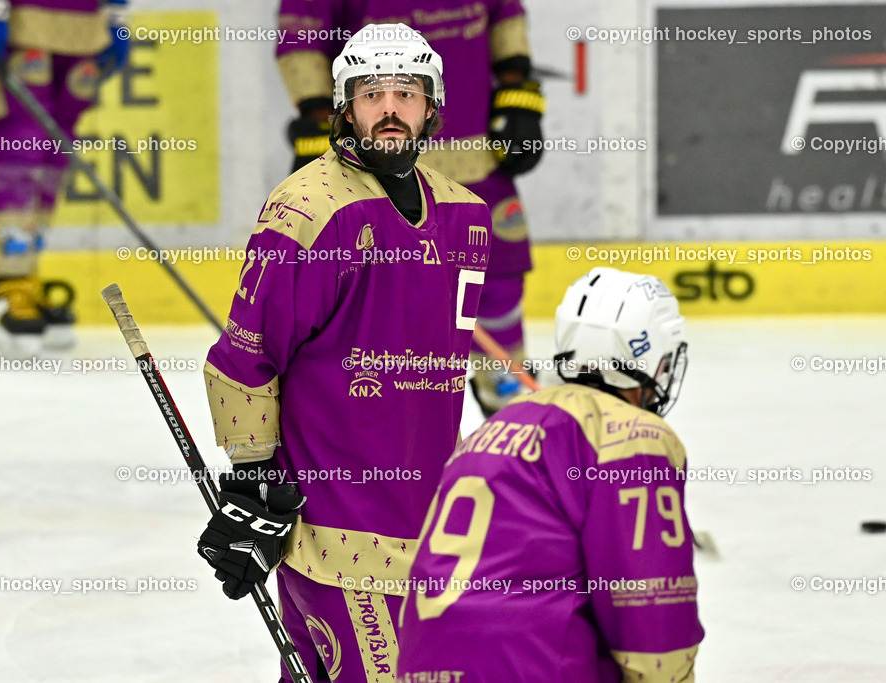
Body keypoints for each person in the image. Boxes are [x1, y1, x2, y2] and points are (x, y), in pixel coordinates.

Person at [197, 24, 492, 683]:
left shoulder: (468, 216)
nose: (389, 109)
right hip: (336, 529)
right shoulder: (309, 210)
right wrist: (252, 477)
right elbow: (246, 352)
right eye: (371, 94)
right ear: (344, 108)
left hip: (428, 524)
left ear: (432, 106)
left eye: (406, 93)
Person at [396, 267, 704, 682]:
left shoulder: (496, 426)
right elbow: (651, 608)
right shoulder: (632, 436)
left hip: (422, 666)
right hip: (533, 666)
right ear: (655, 358)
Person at [277, 0, 546, 417]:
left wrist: (517, 92)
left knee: (499, 281)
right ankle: (387, 411)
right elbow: (302, 37)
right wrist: (317, 117)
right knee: (384, 298)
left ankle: (506, 402)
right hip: (380, 160)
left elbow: (504, 14)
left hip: (476, 155)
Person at [0, 0, 130, 355]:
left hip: (85, 27)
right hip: (19, 20)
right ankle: (8, 282)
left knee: (56, 151)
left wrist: (116, 12)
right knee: (19, 145)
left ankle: (25, 276)